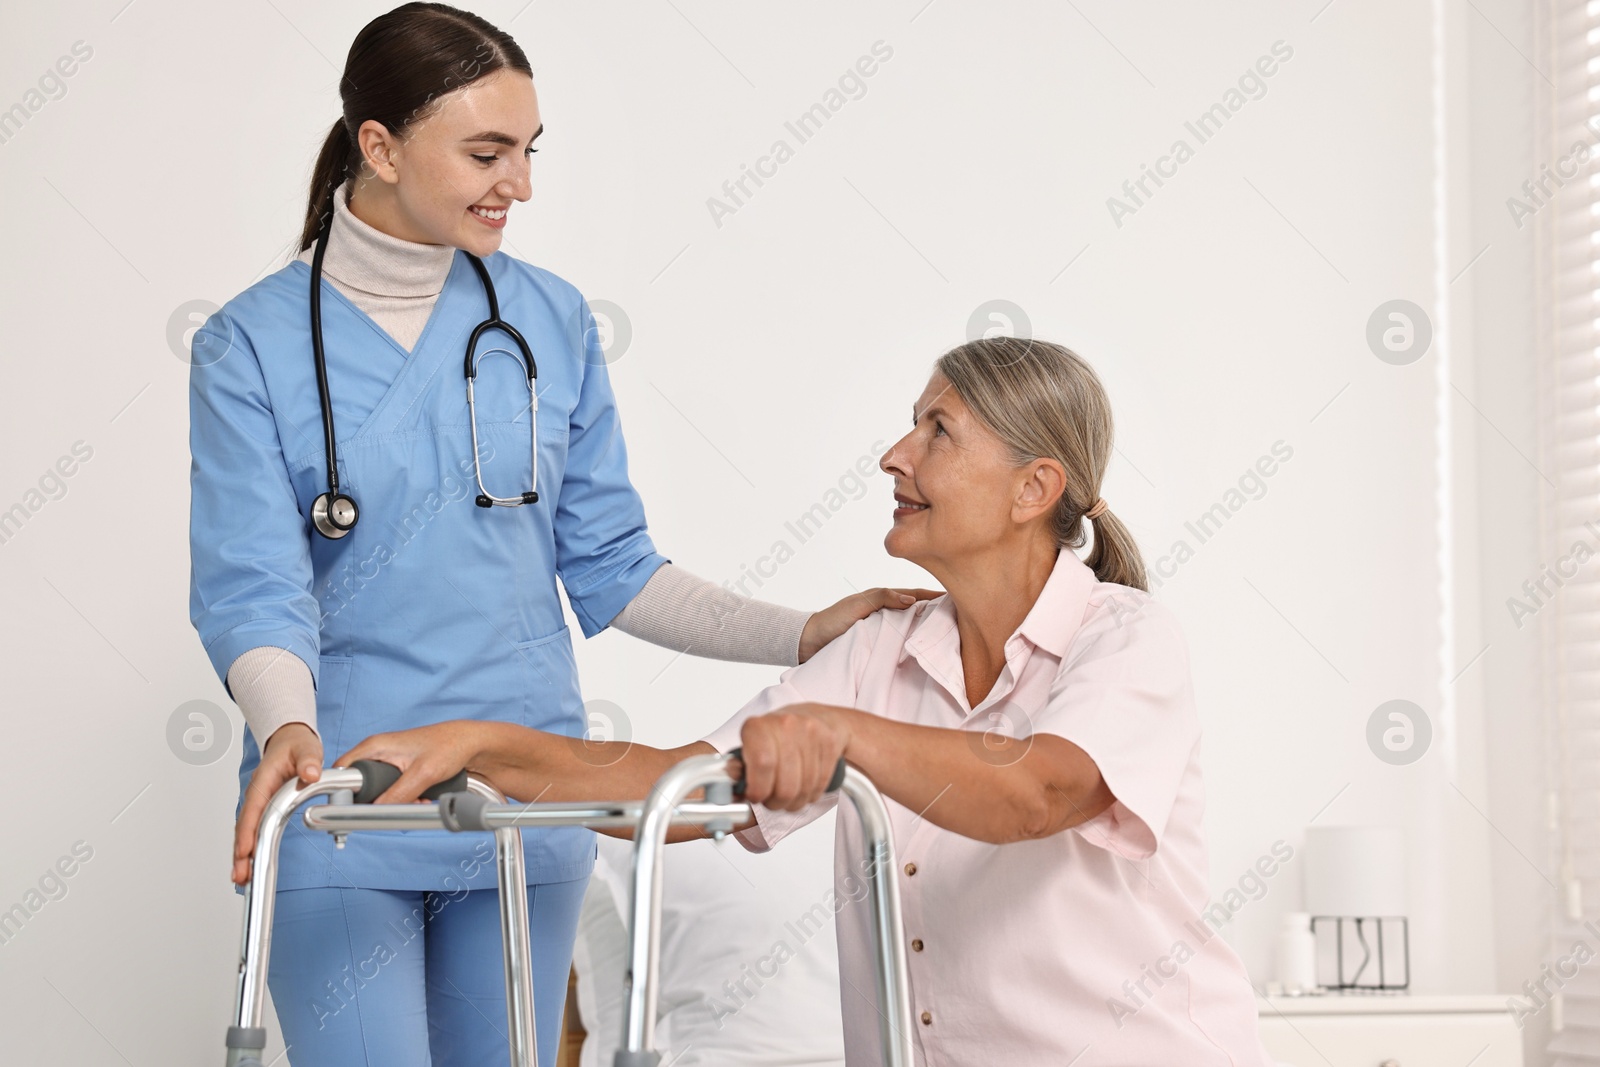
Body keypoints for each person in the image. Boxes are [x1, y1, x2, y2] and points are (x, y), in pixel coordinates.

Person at [187, 5, 931, 1064]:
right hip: (345, 792)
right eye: (487, 153)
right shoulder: (248, 345)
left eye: (528, 153)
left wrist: (808, 630)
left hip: (528, 795)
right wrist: (284, 729)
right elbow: (251, 583)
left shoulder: (548, 321)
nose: (520, 185)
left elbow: (616, 566)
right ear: (380, 145)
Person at [343, 337, 1277, 1065]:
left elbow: (1036, 793)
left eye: (938, 431)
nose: (894, 455)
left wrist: (844, 738)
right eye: (911, 423)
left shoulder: (1124, 637)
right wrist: (477, 746)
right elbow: (681, 787)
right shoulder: (882, 651)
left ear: (1035, 487)